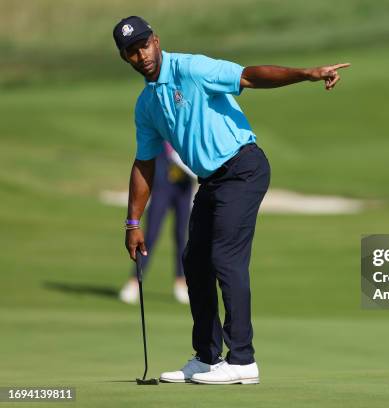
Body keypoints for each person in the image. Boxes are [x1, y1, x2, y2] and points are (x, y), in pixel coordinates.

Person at [113, 15, 349, 385]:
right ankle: (207, 358)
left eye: (144, 44)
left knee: (224, 255)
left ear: (156, 40)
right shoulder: (147, 105)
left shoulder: (192, 67)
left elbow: (249, 76)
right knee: (194, 261)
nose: (141, 54)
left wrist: (306, 74)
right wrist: (132, 223)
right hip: (211, 181)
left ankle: (242, 360)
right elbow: (144, 164)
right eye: (131, 51)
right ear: (125, 58)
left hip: (243, 167)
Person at [118, 142, 194, 305]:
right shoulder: (160, 135)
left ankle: (180, 281)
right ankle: (134, 282)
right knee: (150, 235)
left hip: (184, 187)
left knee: (181, 235)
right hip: (162, 186)